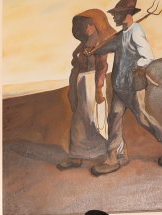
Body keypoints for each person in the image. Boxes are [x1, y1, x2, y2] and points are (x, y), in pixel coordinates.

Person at [89, 0, 162, 176]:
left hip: (133, 86)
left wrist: (136, 65)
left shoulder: (136, 31)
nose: (114, 17)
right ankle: (113, 158)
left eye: (117, 14)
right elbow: (107, 47)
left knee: (143, 118)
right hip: (119, 86)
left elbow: (148, 55)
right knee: (114, 118)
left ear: (127, 14)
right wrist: (94, 50)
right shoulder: (121, 34)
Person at [56, 10, 115, 171]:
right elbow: (75, 60)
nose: (86, 28)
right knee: (79, 120)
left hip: (93, 82)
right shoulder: (84, 44)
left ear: (95, 25)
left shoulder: (101, 43)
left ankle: (115, 154)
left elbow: (102, 67)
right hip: (81, 83)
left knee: (97, 119)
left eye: (89, 24)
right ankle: (76, 156)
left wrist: (99, 88)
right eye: (84, 25)